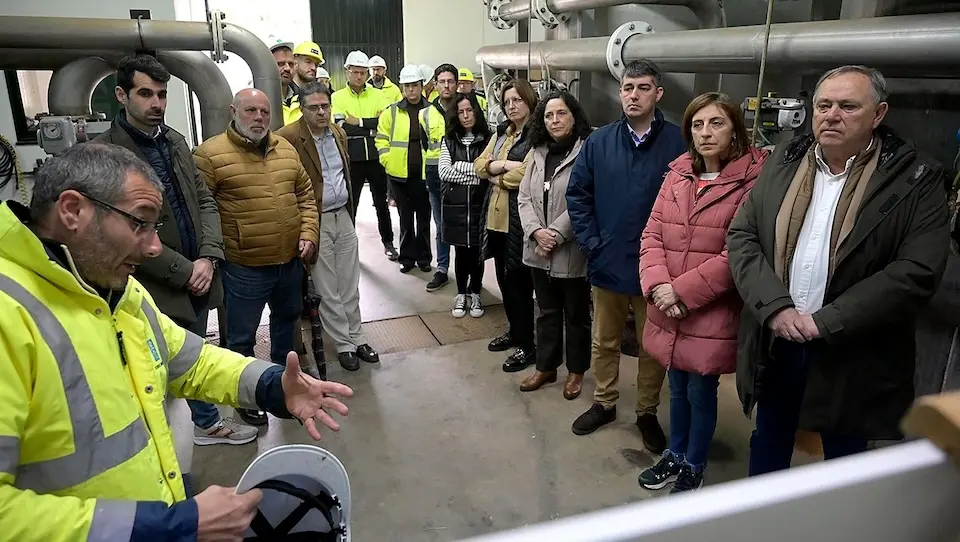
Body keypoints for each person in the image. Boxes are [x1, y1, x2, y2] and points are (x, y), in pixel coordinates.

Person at [0, 142, 352, 540]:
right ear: (72, 210)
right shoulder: (10, 315)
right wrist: (172, 526)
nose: (153, 248)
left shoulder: (114, 293)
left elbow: (193, 361)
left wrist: (274, 386)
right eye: (139, 223)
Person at [727, 65, 951, 475]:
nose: (831, 115)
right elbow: (742, 236)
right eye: (823, 105)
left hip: (851, 349)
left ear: (878, 114)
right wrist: (775, 308)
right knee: (769, 439)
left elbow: (916, 270)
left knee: (843, 456)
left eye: (848, 106)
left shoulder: (915, 178)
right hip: (778, 339)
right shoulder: (783, 162)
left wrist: (826, 322)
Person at [93, 54, 258, 446]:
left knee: (194, 351)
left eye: (162, 95)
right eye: (145, 94)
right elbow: (122, 230)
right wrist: (186, 270)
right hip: (150, 280)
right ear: (121, 95)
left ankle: (204, 423)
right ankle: (165, 436)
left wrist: (209, 256)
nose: (156, 104)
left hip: (199, 269)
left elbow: (203, 200)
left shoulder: (175, 141)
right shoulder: (107, 154)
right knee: (151, 359)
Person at [637, 92, 766, 493]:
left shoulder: (753, 181)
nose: (705, 133)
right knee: (675, 386)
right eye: (697, 124)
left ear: (735, 131)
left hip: (709, 307)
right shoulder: (677, 174)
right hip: (667, 302)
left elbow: (739, 253)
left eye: (716, 123)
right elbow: (652, 232)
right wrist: (659, 286)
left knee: (700, 388)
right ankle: (674, 454)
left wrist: (681, 292)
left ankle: (694, 462)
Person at [566, 59, 685, 450]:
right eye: (628, 87)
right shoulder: (599, 142)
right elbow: (578, 196)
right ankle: (604, 401)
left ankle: (647, 411)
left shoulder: (679, 144)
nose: (634, 95)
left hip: (659, 269)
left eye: (643, 88)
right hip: (609, 261)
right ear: (620, 92)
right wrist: (592, 244)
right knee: (605, 340)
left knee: (654, 346)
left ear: (658, 94)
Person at [194, 88, 320, 426]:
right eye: (251, 111)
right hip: (244, 267)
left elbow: (305, 195)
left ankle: (284, 386)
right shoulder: (210, 155)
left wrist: (308, 233)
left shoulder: (285, 148)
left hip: (289, 264)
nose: (259, 118)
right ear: (233, 111)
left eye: (264, 111)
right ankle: (245, 395)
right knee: (240, 338)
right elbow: (202, 211)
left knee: (286, 326)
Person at [277, 82, 381, 372]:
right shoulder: (288, 138)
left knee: (350, 281)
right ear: (302, 109)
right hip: (316, 219)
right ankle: (344, 345)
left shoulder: (338, 133)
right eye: (314, 107)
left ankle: (358, 338)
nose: (322, 112)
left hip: (343, 215)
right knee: (327, 286)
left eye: (325, 106)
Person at [517, 91, 593, 400]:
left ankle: (576, 371)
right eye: (549, 115)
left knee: (575, 315)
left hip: (570, 251)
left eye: (561, 114)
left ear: (574, 117)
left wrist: (555, 234)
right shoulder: (537, 152)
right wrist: (536, 232)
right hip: (538, 250)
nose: (555, 120)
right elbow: (523, 197)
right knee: (546, 312)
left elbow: (587, 199)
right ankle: (545, 367)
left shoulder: (586, 152)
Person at [475, 79, 537, 372]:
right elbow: (478, 165)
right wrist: (500, 166)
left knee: (519, 286)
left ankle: (528, 346)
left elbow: (527, 174)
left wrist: (495, 172)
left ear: (529, 101)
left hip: (519, 223)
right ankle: (515, 332)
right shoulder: (502, 133)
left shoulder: (537, 135)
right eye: (507, 102)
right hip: (496, 221)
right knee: (503, 282)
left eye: (517, 100)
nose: (512, 106)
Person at [332, 50, 398, 261]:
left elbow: (384, 124)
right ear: (347, 72)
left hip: (377, 158)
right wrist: (370, 126)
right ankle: (348, 247)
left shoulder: (378, 95)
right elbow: (341, 127)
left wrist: (358, 122)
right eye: (356, 72)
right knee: (352, 204)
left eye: (363, 72)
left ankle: (388, 242)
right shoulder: (337, 97)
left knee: (382, 204)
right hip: (353, 160)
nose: (360, 76)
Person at [438, 92, 491, 318]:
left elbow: (488, 172)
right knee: (461, 253)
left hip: (480, 207)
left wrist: (461, 166)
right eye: (461, 112)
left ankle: (475, 292)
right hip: (456, 208)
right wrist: (475, 172)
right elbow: (444, 172)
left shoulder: (489, 139)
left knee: (478, 254)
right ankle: (461, 293)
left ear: (477, 112)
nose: (466, 115)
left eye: (470, 110)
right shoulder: (448, 140)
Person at [377, 65, 434, 274]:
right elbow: (381, 138)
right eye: (408, 86)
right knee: (406, 219)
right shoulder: (391, 112)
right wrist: (386, 160)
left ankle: (425, 258)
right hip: (399, 176)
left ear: (422, 86)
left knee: (424, 219)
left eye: (415, 86)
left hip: (425, 176)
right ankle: (407, 257)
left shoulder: (432, 111)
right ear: (402, 87)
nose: (411, 90)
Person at [420, 63, 459, 292]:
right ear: (435, 84)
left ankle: (468, 272)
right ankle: (442, 269)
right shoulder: (425, 114)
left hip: (461, 173)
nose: (446, 85)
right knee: (441, 224)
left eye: (450, 81)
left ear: (456, 84)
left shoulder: (467, 107)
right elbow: (426, 146)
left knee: (463, 222)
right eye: (442, 81)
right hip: (435, 175)